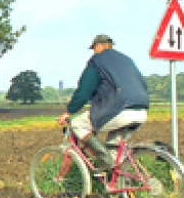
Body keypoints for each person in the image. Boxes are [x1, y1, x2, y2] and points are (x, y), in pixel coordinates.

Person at [58, 34, 149, 171]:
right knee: (114, 150)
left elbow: (84, 92)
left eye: (94, 48)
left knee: (78, 124)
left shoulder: (97, 60)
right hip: (141, 111)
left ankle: (106, 163)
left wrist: (69, 111)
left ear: (98, 46)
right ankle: (119, 185)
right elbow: (143, 84)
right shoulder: (127, 60)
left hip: (120, 110)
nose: (94, 52)